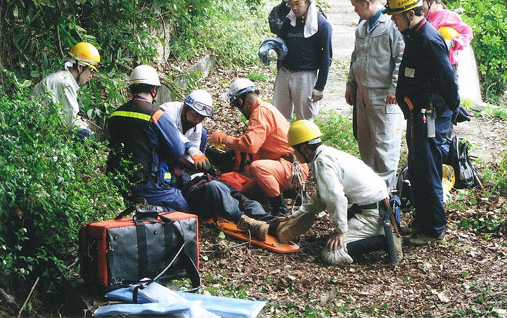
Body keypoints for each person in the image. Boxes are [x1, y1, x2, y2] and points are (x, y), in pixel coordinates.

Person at [384, 0, 460, 245]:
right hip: (419, 113)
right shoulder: (414, 35)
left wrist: (448, 112)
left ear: (408, 13)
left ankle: (433, 229)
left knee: (427, 170)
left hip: (431, 115)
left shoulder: (428, 38)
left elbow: (449, 81)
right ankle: (424, 219)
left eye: (395, 16)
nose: (393, 21)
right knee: (417, 169)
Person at [272, 120, 402, 265]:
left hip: (374, 215)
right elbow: (321, 198)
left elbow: (336, 198)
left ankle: (385, 240)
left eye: (295, 150)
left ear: (304, 148)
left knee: (331, 254)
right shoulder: (326, 154)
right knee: (330, 241)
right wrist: (292, 216)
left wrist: (341, 230)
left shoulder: (322, 163)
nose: (294, 154)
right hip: (376, 207)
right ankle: (375, 233)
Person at [208, 78, 309, 216]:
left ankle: (280, 210)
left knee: (257, 167)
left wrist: (225, 139)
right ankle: (291, 192)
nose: (240, 111)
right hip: (283, 167)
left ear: (241, 101)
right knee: (244, 196)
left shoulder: (260, 112)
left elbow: (250, 145)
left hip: (291, 168)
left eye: (238, 106)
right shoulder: (264, 109)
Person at [107, 65, 197, 212]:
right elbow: (178, 150)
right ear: (154, 90)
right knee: (181, 205)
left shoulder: (115, 114)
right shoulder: (156, 115)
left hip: (116, 181)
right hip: (145, 184)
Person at [345, 0, 405, 189]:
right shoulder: (362, 27)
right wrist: (350, 85)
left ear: (367, 3)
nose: (355, 10)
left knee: (384, 147)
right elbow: (356, 58)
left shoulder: (391, 25)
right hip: (363, 94)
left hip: (384, 97)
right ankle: (369, 193)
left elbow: (400, 58)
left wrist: (394, 89)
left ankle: (385, 198)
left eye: (356, 6)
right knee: (366, 145)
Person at [275, 0, 333, 121]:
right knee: (280, 117)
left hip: (306, 75)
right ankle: (283, 143)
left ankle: (306, 143)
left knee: (305, 119)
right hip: (286, 72)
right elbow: (281, 44)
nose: (294, 8)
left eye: (298, 4)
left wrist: (320, 87)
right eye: (291, 4)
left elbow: (326, 57)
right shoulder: (289, 21)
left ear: (308, 1)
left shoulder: (322, 25)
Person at [32, 42, 100, 138]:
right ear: (80, 67)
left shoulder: (65, 80)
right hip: (37, 131)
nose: (92, 76)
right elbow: (70, 123)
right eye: (91, 71)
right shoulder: (63, 83)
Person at [417, 0, 473, 74]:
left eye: (423, 1)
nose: (421, 6)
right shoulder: (422, 18)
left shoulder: (448, 16)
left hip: (448, 65)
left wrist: (453, 43)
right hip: (429, 65)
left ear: (433, 0)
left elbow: (467, 32)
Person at [161, 89, 213, 171]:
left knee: (203, 133)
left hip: (179, 150)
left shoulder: (197, 126)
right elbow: (172, 133)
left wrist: (197, 164)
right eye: (195, 116)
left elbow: (194, 151)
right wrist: (190, 148)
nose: (198, 121)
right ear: (185, 108)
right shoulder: (168, 111)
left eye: (202, 118)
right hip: (161, 146)